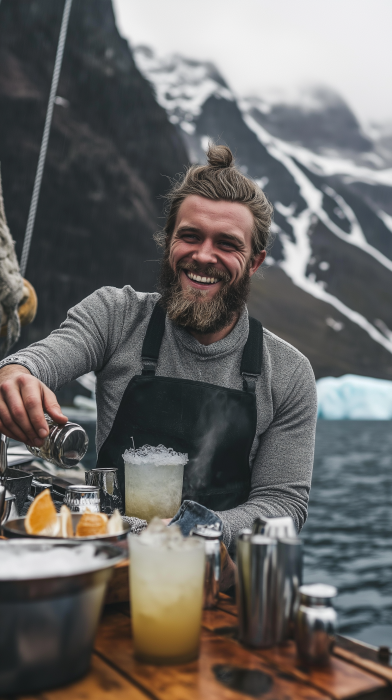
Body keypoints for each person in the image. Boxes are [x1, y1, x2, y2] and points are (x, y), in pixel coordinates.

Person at [0, 145, 317, 577]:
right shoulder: (114, 315)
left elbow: (283, 504)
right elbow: (42, 359)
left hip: (211, 589)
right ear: (169, 241)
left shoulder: (290, 373)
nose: (204, 256)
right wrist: (17, 372)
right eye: (190, 236)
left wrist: (193, 531)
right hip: (106, 570)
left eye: (227, 244)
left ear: (255, 261)